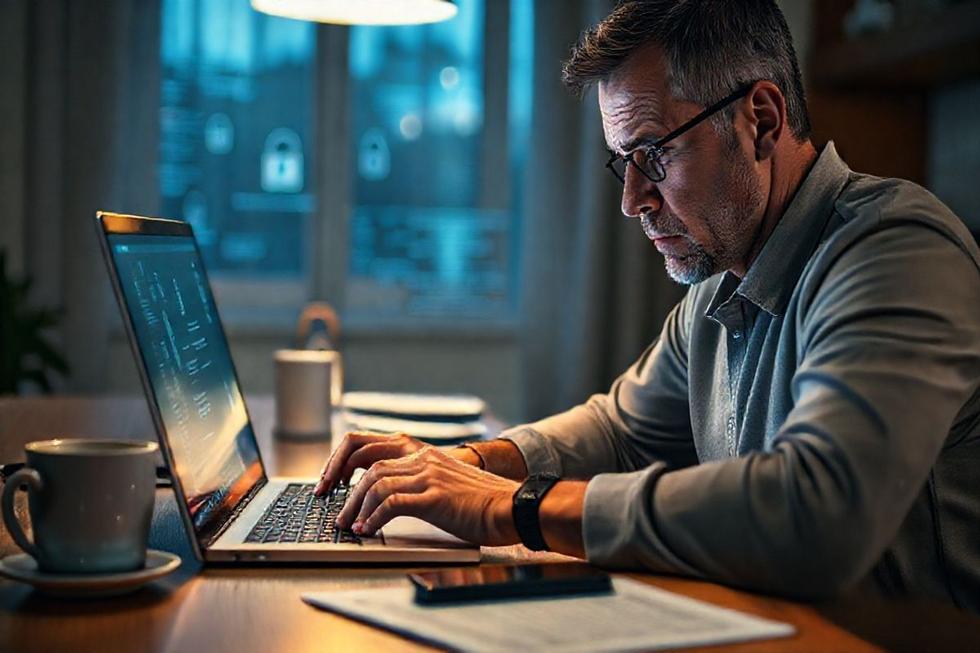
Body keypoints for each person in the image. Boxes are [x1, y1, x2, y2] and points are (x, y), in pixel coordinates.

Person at [315, 0, 980, 607]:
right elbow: (620, 430)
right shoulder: (724, 280)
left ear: (761, 120)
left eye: (654, 153)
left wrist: (514, 508)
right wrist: (468, 463)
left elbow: (817, 509)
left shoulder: (897, 250)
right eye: (622, 161)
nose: (633, 199)